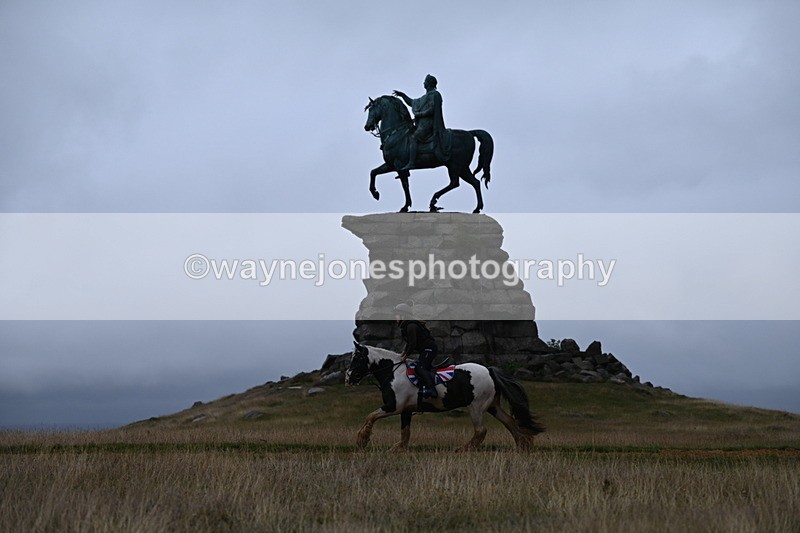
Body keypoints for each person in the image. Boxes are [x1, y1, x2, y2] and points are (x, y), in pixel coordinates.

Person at [393, 74, 449, 171]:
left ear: (429, 83)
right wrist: (402, 95)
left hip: (429, 124)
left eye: (425, 81)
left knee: (413, 137)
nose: (423, 83)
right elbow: (412, 102)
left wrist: (419, 114)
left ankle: (411, 163)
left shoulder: (435, 95)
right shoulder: (424, 97)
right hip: (422, 125)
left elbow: (431, 110)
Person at [394, 303, 439, 399]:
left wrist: (405, 356)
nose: (395, 317)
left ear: (403, 315)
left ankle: (432, 390)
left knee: (420, 368)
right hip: (425, 350)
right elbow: (408, 343)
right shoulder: (406, 326)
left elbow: (413, 344)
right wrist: (402, 353)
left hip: (429, 349)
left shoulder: (411, 326)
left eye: (397, 314)